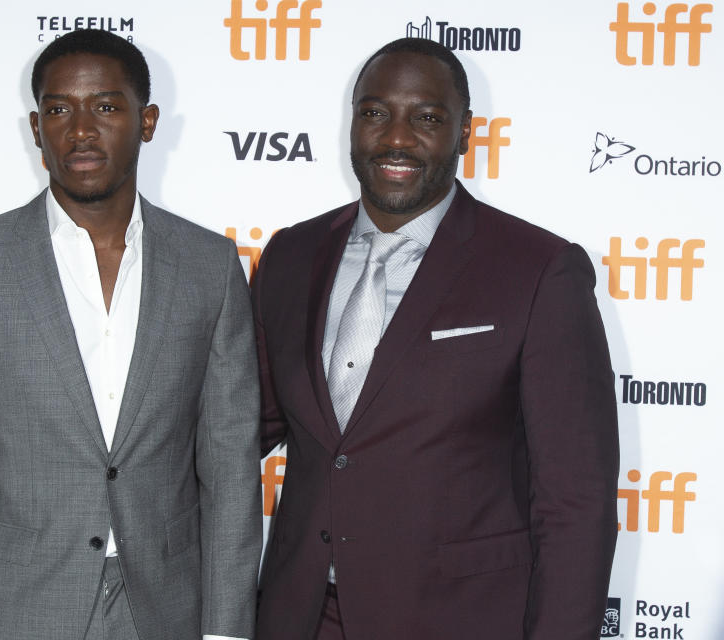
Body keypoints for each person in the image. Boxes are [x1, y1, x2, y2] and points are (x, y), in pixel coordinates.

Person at [251, 37, 619, 640]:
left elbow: (575, 501)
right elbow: (246, 427)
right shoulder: (291, 254)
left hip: (456, 617)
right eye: (374, 113)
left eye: (426, 118)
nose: (396, 138)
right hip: (299, 614)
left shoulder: (538, 269)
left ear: (465, 131)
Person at [0, 29, 261, 640]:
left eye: (106, 106)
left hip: (165, 608)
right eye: (59, 109)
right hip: (17, 608)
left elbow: (229, 467)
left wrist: (225, 630)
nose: (81, 129)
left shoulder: (210, 265)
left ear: (146, 122)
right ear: (36, 130)